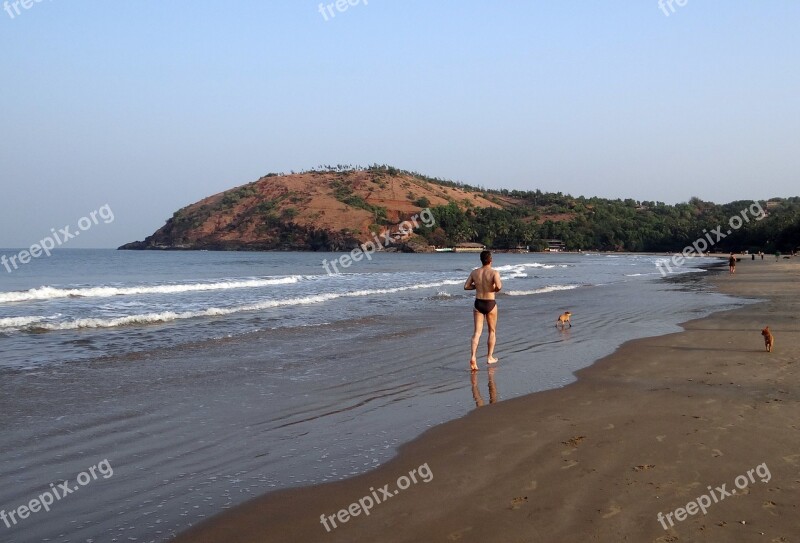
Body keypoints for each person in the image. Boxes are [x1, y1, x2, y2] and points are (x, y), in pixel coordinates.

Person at [464, 250, 502, 371]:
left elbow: (466, 286)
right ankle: (489, 357)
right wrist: (492, 289)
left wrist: (478, 286)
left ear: (481, 260)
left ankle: (473, 357)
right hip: (490, 303)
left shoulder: (475, 272)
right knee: (492, 331)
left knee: (477, 333)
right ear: (491, 260)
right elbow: (499, 287)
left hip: (478, 303)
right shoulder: (494, 272)